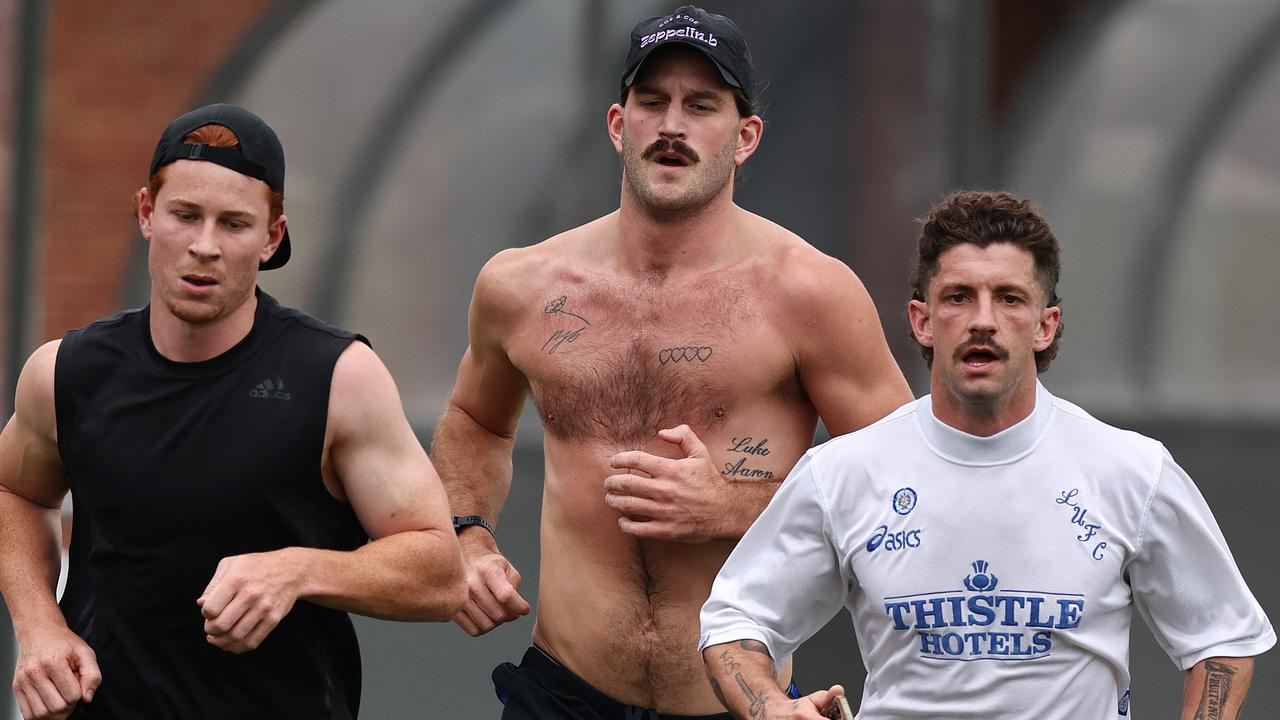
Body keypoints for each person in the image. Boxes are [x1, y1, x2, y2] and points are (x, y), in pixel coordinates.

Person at [430, 5, 913, 719]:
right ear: (618, 125)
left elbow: (908, 481)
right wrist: (467, 535)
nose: (673, 124)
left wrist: (735, 505)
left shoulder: (808, 292)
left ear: (745, 137)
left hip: (734, 702)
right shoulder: (523, 286)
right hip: (561, 693)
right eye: (652, 101)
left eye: (702, 105)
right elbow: (474, 420)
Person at [699, 190, 1276, 719]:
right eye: (958, 297)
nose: (982, 320)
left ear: (1045, 326)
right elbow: (734, 619)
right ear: (922, 322)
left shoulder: (1131, 470)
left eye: (1009, 298)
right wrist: (771, 707)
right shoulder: (845, 473)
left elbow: (1222, 640)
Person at [0, 103, 466, 720]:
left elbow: (439, 572)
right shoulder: (66, 372)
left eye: (235, 224)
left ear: (272, 237)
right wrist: (39, 625)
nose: (204, 247)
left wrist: (299, 571)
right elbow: (16, 492)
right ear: (146, 213)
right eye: (185, 216)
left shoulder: (336, 377)